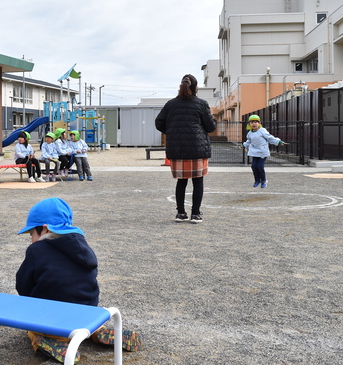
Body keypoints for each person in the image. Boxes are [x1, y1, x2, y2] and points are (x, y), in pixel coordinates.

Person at [16, 198, 141, 362]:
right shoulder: (82, 246)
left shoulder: (36, 250)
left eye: (31, 233)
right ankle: (96, 331)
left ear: (44, 229)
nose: (31, 238)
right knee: (82, 315)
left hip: (54, 321)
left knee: (29, 328)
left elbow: (22, 285)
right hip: (88, 315)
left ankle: (46, 340)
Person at [155, 74, 216, 223]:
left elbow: (158, 123)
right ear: (196, 88)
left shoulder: (171, 104)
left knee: (181, 182)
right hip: (197, 147)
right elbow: (210, 126)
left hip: (177, 147)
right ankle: (195, 214)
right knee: (198, 181)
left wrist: (172, 131)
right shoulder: (201, 104)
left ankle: (181, 213)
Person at [243, 114, 285, 189]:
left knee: (259, 166)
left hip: (262, 152)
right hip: (254, 152)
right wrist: (244, 145)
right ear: (249, 124)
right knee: (253, 166)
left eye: (256, 122)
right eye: (252, 122)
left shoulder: (263, 131)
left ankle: (263, 180)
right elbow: (248, 141)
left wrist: (279, 142)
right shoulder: (250, 133)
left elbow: (270, 138)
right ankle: (257, 180)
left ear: (259, 123)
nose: (254, 124)